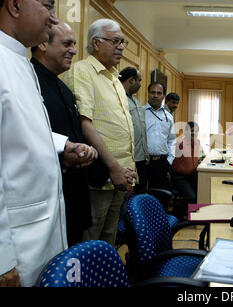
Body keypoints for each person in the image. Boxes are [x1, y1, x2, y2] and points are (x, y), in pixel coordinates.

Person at [0, 0, 93, 287]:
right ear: (15, 5)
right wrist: (2, 259)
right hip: (17, 245)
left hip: (43, 232)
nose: (54, 19)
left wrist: (62, 146)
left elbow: (20, 130)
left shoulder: (20, 62)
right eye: (48, 7)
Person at [61, 18, 137, 246]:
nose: (121, 46)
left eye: (123, 41)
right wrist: (113, 167)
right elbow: (85, 124)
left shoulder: (114, 78)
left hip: (120, 177)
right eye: (115, 41)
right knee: (90, 244)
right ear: (96, 43)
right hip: (99, 175)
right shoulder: (82, 71)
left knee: (109, 240)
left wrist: (126, 171)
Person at [31, 22, 98, 247]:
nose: (73, 50)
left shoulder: (63, 88)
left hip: (74, 197)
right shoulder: (30, 83)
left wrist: (86, 151)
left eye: (75, 44)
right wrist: (63, 157)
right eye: (67, 44)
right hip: (45, 201)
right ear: (42, 44)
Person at [119, 66, 149, 194]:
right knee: (127, 194)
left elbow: (141, 127)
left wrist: (145, 149)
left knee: (140, 191)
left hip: (141, 157)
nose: (141, 85)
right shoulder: (119, 98)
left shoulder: (135, 100)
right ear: (131, 80)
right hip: (128, 158)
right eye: (139, 81)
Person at [145, 82, 176, 190]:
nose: (155, 95)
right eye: (153, 92)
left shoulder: (168, 117)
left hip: (162, 162)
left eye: (159, 93)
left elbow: (172, 141)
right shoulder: (140, 113)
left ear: (163, 96)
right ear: (148, 93)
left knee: (161, 196)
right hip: (143, 162)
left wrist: (169, 161)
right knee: (141, 195)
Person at [172, 122, 206, 209]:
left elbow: (200, 157)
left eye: (196, 131)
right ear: (186, 131)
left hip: (192, 175)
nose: (194, 133)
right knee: (192, 197)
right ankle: (179, 214)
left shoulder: (197, 142)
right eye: (192, 131)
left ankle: (194, 212)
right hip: (179, 177)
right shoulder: (179, 143)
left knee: (203, 190)